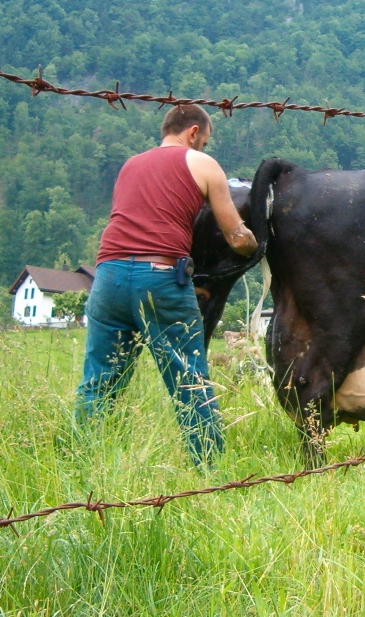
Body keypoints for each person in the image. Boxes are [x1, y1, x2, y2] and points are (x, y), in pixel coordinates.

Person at [75, 104, 257, 464]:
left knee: (99, 381)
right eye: (204, 141)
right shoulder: (203, 164)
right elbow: (236, 236)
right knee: (189, 380)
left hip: (107, 276)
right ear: (193, 132)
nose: (203, 147)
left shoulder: (130, 165)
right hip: (160, 275)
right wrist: (258, 245)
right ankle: (209, 469)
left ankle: (83, 461)